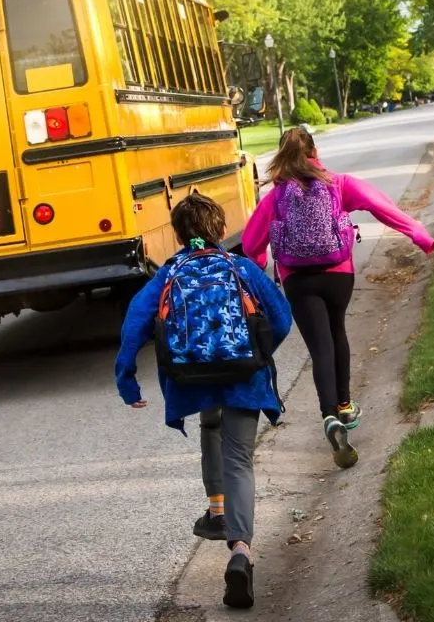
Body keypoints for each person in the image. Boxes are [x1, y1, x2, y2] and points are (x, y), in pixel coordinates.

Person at [115, 193, 291, 609]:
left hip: (191, 376)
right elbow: (281, 318)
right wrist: (257, 353)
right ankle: (241, 551)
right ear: (217, 228)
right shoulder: (241, 267)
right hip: (243, 375)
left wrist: (127, 379)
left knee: (210, 424)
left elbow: (135, 323)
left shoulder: (169, 273)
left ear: (178, 233)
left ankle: (216, 509)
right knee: (239, 460)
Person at [242, 127, 434, 468]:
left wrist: (260, 261)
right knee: (337, 333)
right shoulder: (339, 184)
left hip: (298, 280)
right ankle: (345, 405)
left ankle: (328, 415)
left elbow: (250, 243)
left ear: (282, 155)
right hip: (338, 275)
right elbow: (381, 206)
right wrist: (418, 234)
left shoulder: (276, 197)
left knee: (320, 348)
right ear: (315, 151)